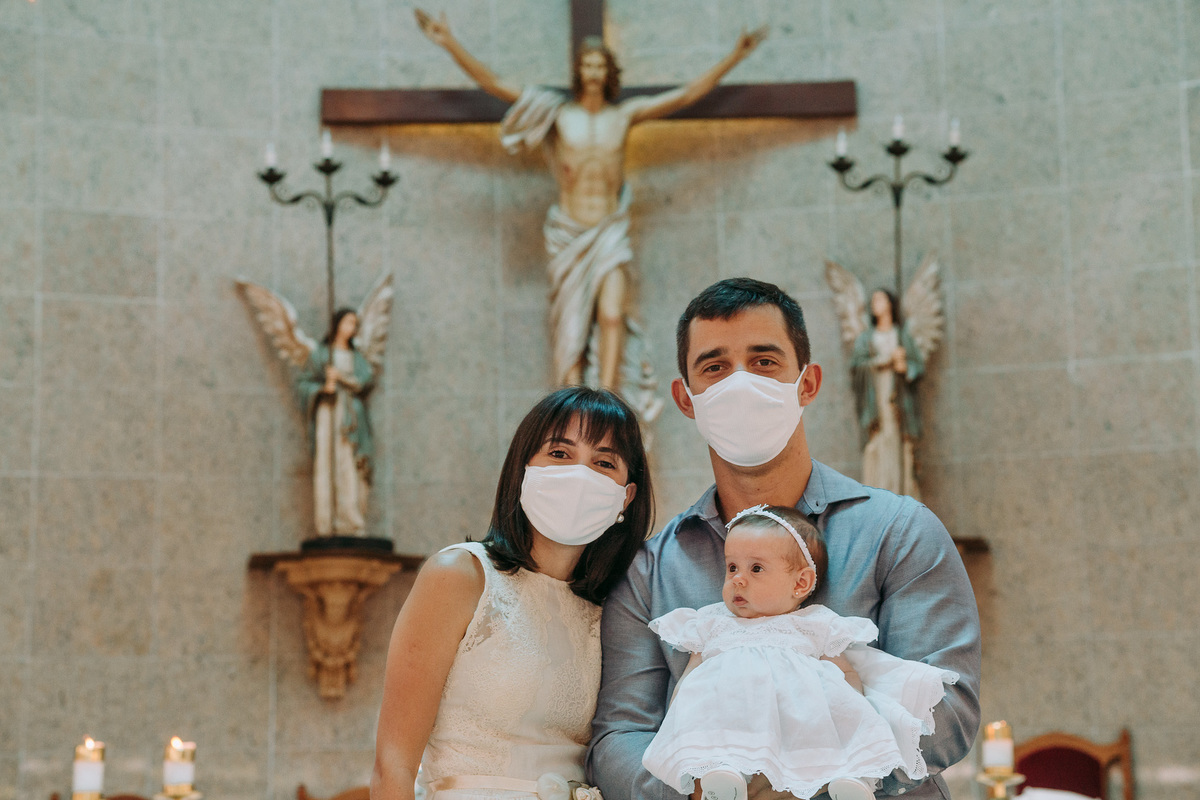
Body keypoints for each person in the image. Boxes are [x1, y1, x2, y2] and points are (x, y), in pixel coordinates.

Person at [587, 278, 980, 800]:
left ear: (807, 384)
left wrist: (797, 787)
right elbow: (619, 736)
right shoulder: (650, 570)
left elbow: (948, 709)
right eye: (715, 367)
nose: (740, 383)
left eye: (764, 361)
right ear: (686, 398)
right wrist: (700, 793)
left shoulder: (900, 531)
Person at [415, 9, 765, 423]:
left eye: (600, 64)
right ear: (578, 72)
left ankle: (608, 401)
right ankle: (570, 407)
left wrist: (734, 56)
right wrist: (448, 42)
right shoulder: (560, 115)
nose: (594, 71)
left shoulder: (624, 116)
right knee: (572, 333)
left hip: (609, 232)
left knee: (613, 315)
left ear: (608, 71)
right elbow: (494, 83)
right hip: (570, 234)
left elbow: (685, 95)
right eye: (587, 65)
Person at [372, 386, 654, 800]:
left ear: (625, 496)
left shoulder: (617, 605)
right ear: (523, 469)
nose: (580, 474)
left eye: (604, 462)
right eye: (559, 453)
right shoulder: (458, 576)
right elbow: (392, 765)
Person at [642, 505, 958, 800]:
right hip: (731, 718)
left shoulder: (813, 623)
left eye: (756, 568)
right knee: (720, 740)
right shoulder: (711, 622)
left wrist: (852, 709)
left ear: (800, 583)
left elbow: (845, 672)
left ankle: (851, 781)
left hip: (801, 719)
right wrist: (678, 718)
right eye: (732, 567)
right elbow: (690, 677)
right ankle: (723, 776)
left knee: (838, 745)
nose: (738, 579)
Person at [295, 308, 376, 536]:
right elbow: (303, 385)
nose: (352, 328)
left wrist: (341, 378)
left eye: (355, 324)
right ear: (338, 324)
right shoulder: (321, 355)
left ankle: (349, 520)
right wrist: (324, 388)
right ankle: (327, 521)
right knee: (327, 462)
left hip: (351, 418)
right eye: (348, 322)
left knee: (348, 464)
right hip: (328, 413)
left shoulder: (357, 357)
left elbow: (365, 380)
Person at [849, 290, 924, 500]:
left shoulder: (901, 337)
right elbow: (856, 367)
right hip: (876, 401)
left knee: (900, 450)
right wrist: (882, 362)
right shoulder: (866, 338)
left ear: (890, 304)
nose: (875, 303)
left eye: (879, 299)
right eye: (873, 300)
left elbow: (917, 367)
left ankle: (902, 494)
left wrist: (905, 367)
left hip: (898, 403)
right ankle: (879, 497)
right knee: (878, 447)